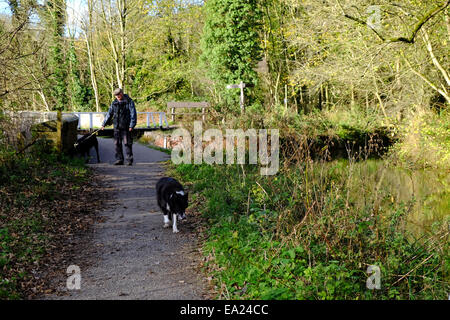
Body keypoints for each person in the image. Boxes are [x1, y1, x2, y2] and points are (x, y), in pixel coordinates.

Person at [101, 88, 137, 165]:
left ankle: (129, 160)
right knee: (117, 143)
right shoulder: (114, 103)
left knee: (127, 143)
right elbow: (109, 114)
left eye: (118, 94)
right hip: (116, 126)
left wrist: (132, 125)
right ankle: (119, 159)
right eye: (115, 95)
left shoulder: (129, 102)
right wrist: (104, 124)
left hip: (126, 126)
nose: (117, 96)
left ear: (122, 93)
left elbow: (133, 114)